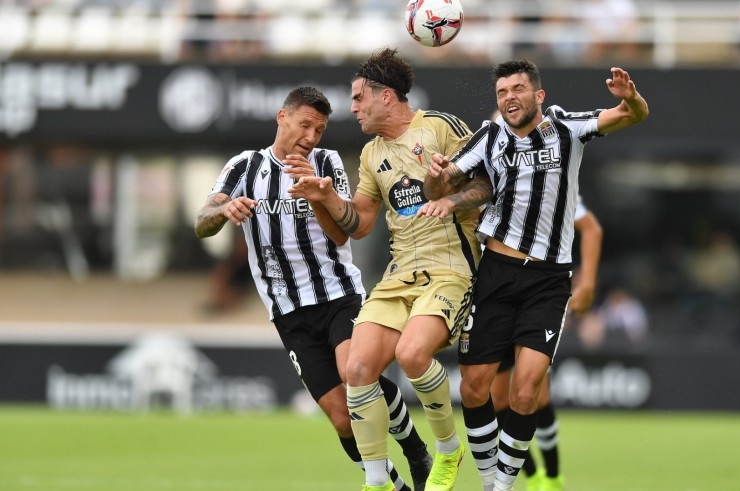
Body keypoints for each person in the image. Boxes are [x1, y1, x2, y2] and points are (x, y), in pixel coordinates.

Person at [419, 61, 649, 490]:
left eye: (519, 88)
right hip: (496, 273)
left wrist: (631, 98)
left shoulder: (566, 128)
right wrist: (436, 178)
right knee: (474, 388)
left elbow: (632, 116)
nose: (509, 96)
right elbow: (444, 185)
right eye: (502, 90)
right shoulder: (488, 138)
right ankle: (492, 479)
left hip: (548, 281)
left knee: (527, 392)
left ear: (538, 95)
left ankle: (501, 485)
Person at [194, 86, 432, 491]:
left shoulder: (326, 163)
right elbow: (202, 221)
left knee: (356, 373)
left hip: (337, 295)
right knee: (342, 417)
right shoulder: (244, 167)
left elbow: (341, 237)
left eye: (319, 130)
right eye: (305, 125)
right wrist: (223, 209)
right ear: (281, 118)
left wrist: (318, 195)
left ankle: (415, 449)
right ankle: (397, 487)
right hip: (288, 311)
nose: (311, 137)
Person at [288, 48, 480, 491]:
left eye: (359, 98)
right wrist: (324, 196)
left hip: (450, 268)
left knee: (413, 355)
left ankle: (449, 451)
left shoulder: (440, 128)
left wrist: (449, 192)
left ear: (387, 97)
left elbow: (487, 184)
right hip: (400, 275)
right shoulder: (373, 154)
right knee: (357, 368)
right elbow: (360, 223)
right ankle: (376, 480)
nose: (352, 108)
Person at [490, 196, 602, 491]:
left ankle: (553, 477)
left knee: (534, 395)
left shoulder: (553, 180)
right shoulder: (486, 173)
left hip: (536, 295)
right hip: (493, 295)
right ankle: (534, 475)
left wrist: (587, 282)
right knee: (498, 400)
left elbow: (591, 229)